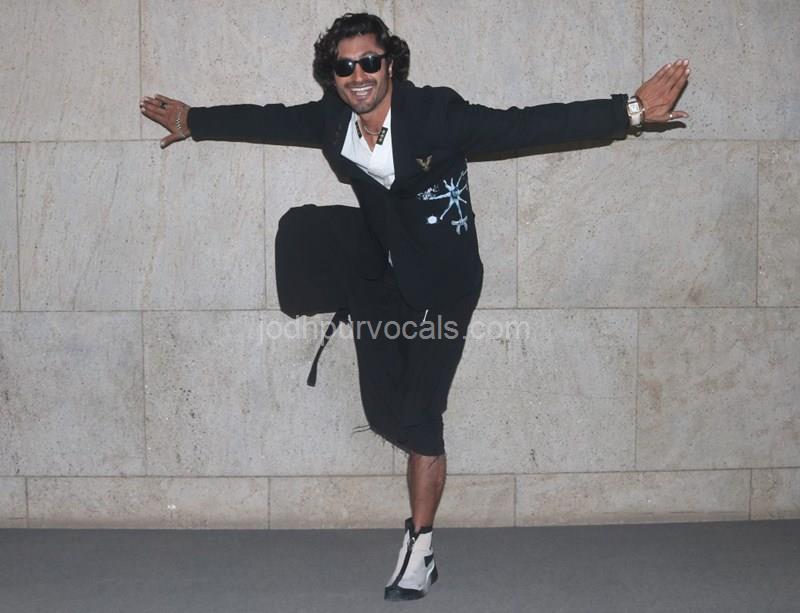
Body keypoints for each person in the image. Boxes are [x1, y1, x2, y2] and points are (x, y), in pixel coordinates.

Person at [140, 12, 690, 601]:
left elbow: (526, 125)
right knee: (385, 413)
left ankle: (420, 548)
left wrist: (629, 111)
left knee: (422, 415)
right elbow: (269, 120)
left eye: (369, 62)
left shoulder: (436, 116)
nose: (358, 75)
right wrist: (194, 121)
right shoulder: (332, 119)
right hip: (385, 276)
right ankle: (400, 411)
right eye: (345, 66)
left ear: (390, 63)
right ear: (332, 74)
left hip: (447, 282)